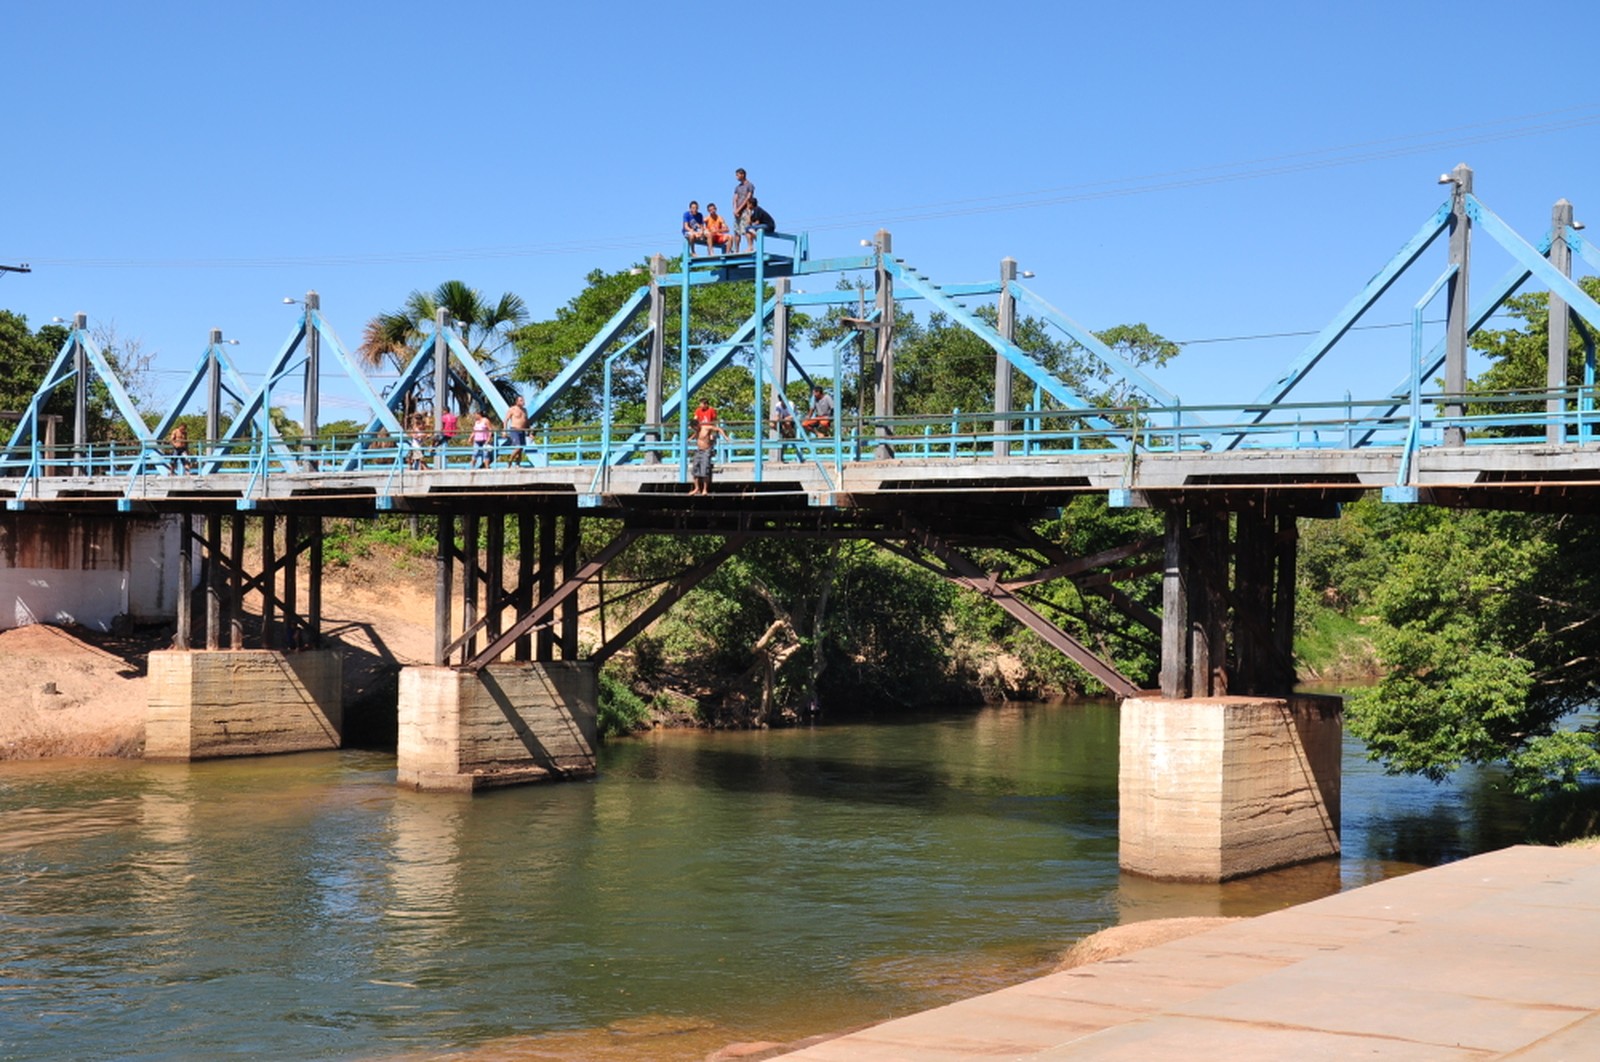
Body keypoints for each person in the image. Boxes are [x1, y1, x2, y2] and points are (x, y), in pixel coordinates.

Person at [689, 416, 727, 496]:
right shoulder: (696, 430)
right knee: (695, 469)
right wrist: (689, 438)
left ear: (698, 425)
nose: (695, 429)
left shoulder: (706, 428)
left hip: (706, 451)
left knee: (704, 469)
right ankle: (696, 488)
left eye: (695, 428)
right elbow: (695, 435)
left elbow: (718, 429)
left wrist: (725, 437)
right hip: (698, 451)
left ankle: (705, 489)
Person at [731, 168, 754, 251]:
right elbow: (735, 198)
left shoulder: (749, 185)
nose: (736, 177)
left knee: (746, 228)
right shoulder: (737, 187)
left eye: (737, 175)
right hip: (737, 212)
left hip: (745, 210)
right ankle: (736, 249)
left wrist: (739, 209)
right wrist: (735, 209)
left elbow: (748, 198)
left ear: (742, 174)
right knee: (736, 231)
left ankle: (750, 246)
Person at [503, 394, 530, 466]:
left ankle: (518, 464)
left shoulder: (525, 410)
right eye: (521, 400)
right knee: (518, 447)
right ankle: (510, 460)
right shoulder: (512, 409)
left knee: (521, 449)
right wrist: (504, 431)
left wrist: (530, 432)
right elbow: (506, 420)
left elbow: (526, 421)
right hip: (514, 430)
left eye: (523, 400)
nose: (523, 402)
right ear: (517, 401)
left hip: (522, 431)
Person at [771, 393, 797, 461]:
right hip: (784, 418)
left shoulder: (791, 404)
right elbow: (777, 415)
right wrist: (775, 420)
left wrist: (784, 419)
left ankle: (792, 434)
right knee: (772, 424)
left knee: (787, 422)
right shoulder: (778, 405)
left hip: (793, 419)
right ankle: (784, 434)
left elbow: (793, 415)